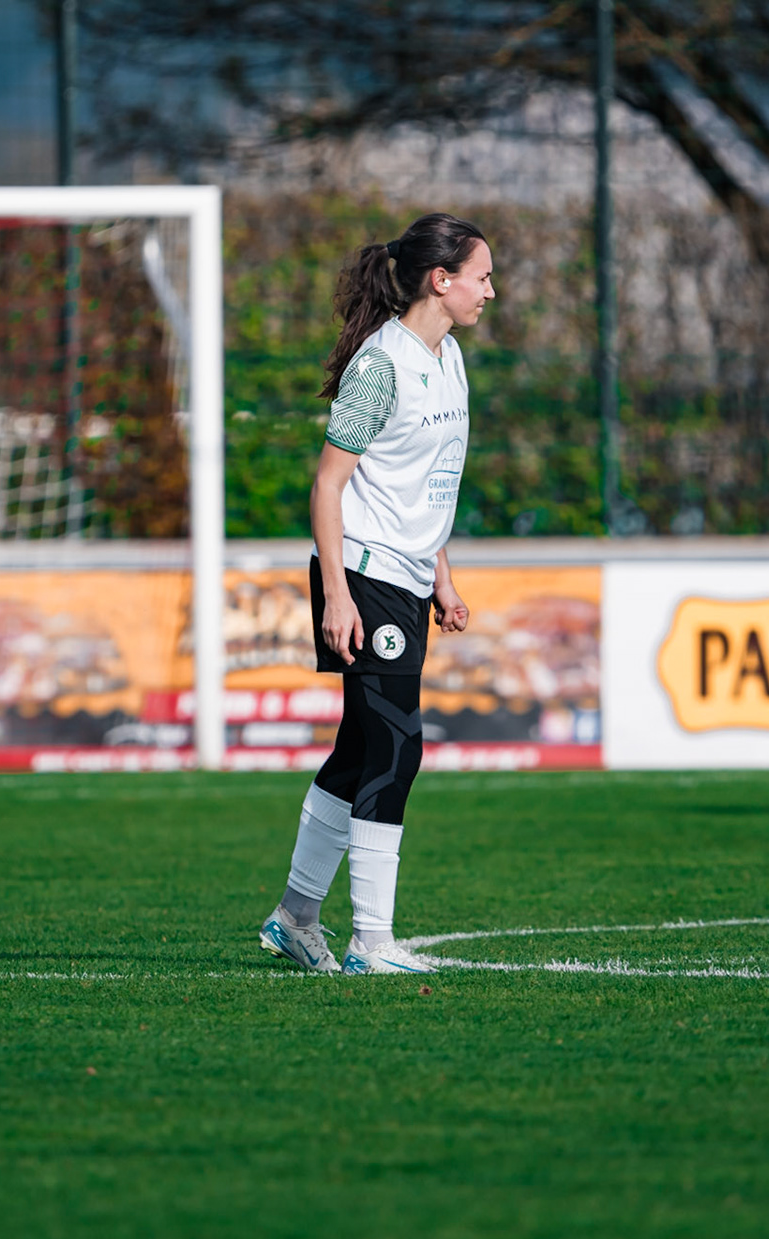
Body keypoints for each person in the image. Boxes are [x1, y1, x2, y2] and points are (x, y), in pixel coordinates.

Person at [258, 213, 493, 974]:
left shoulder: (449, 358)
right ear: (441, 280)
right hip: (362, 576)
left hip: (405, 577)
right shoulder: (380, 366)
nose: (492, 291)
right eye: (482, 277)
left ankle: (295, 916)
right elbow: (330, 485)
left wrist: (443, 577)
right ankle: (373, 941)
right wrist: (336, 595)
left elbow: (425, 482)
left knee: (360, 749)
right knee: (398, 745)